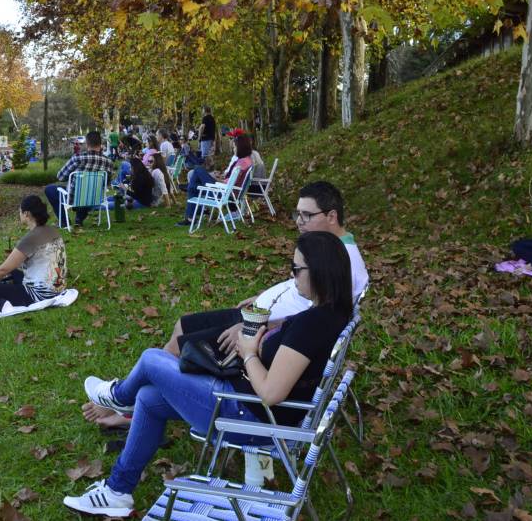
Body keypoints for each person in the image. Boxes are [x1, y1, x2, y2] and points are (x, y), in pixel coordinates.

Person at [63, 230, 354, 517]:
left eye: (296, 268)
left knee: (152, 359)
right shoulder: (332, 314)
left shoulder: (311, 325)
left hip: (248, 416)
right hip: (252, 406)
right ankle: (117, 491)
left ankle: (117, 396)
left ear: (319, 272)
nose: (292, 275)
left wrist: (249, 352)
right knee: (149, 398)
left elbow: (271, 393)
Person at [85, 180, 369, 430]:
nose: (299, 221)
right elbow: (303, 294)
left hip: (258, 334)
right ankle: (137, 401)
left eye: (307, 215)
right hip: (258, 319)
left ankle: (132, 404)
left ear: (332, 216)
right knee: (183, 325)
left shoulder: (342, 265)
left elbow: (311, 324)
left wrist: (252, 329)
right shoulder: (327, 250)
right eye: (298, 214)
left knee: (177, 348)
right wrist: (264, 296)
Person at [0, 195, 67, 307]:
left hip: (39, 295)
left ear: (26, 214)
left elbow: (3, 269)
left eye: (20, 211)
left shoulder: (31, 238)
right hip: (58, 287)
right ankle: (6, 291)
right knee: (13, 272)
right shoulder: (53, 231)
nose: (19, 214)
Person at [178, 133, 255, 225]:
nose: (233, 149)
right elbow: (231, 181)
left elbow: (229, 183)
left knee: (198, 170)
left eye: (234, 147)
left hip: (223, 193)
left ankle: (190, 217)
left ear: (241, 147)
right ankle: (190, 216)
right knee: (193, 187)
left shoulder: (241, 163)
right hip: (228, 191)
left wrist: (217, 180)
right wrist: (218, 178)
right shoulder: (247, 160)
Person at [44, 131, 114, 228]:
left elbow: (60, 177)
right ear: (100, 143)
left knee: (50, 189)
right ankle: (79, 219)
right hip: (95, 199)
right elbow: (107, 183)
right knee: (87, 191)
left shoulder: (78, 158)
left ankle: (64, 222)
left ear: (87, 143)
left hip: (74, 199)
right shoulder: (108, 162)